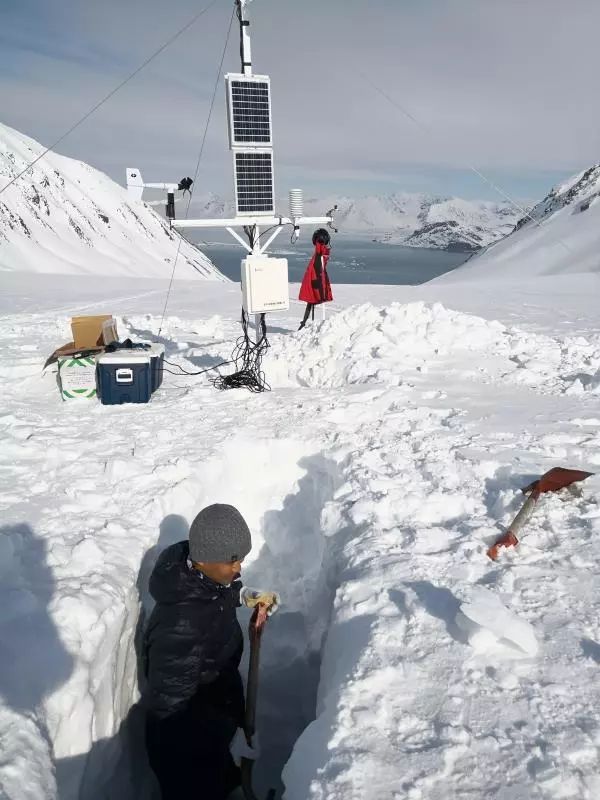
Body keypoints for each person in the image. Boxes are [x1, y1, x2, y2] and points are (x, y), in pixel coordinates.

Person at [142, 503, 280, 800]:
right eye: (232, 561)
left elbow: (212, 595)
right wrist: (226, 739)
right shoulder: (181, 627)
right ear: (204, 560)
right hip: (187, 755)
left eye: (241, 560)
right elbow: (171, 713)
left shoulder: (199, 577)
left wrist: (243, 595)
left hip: (215, 703)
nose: (238, 568)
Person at [298, 228, 333, 330]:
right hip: (316, 282)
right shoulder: (322, 253)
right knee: (311, 301)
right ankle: (304, 323)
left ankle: (304, 323)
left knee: (311, 300)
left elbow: (318, 270)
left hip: (315, 283)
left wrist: (317, 283)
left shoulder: (320, 253)